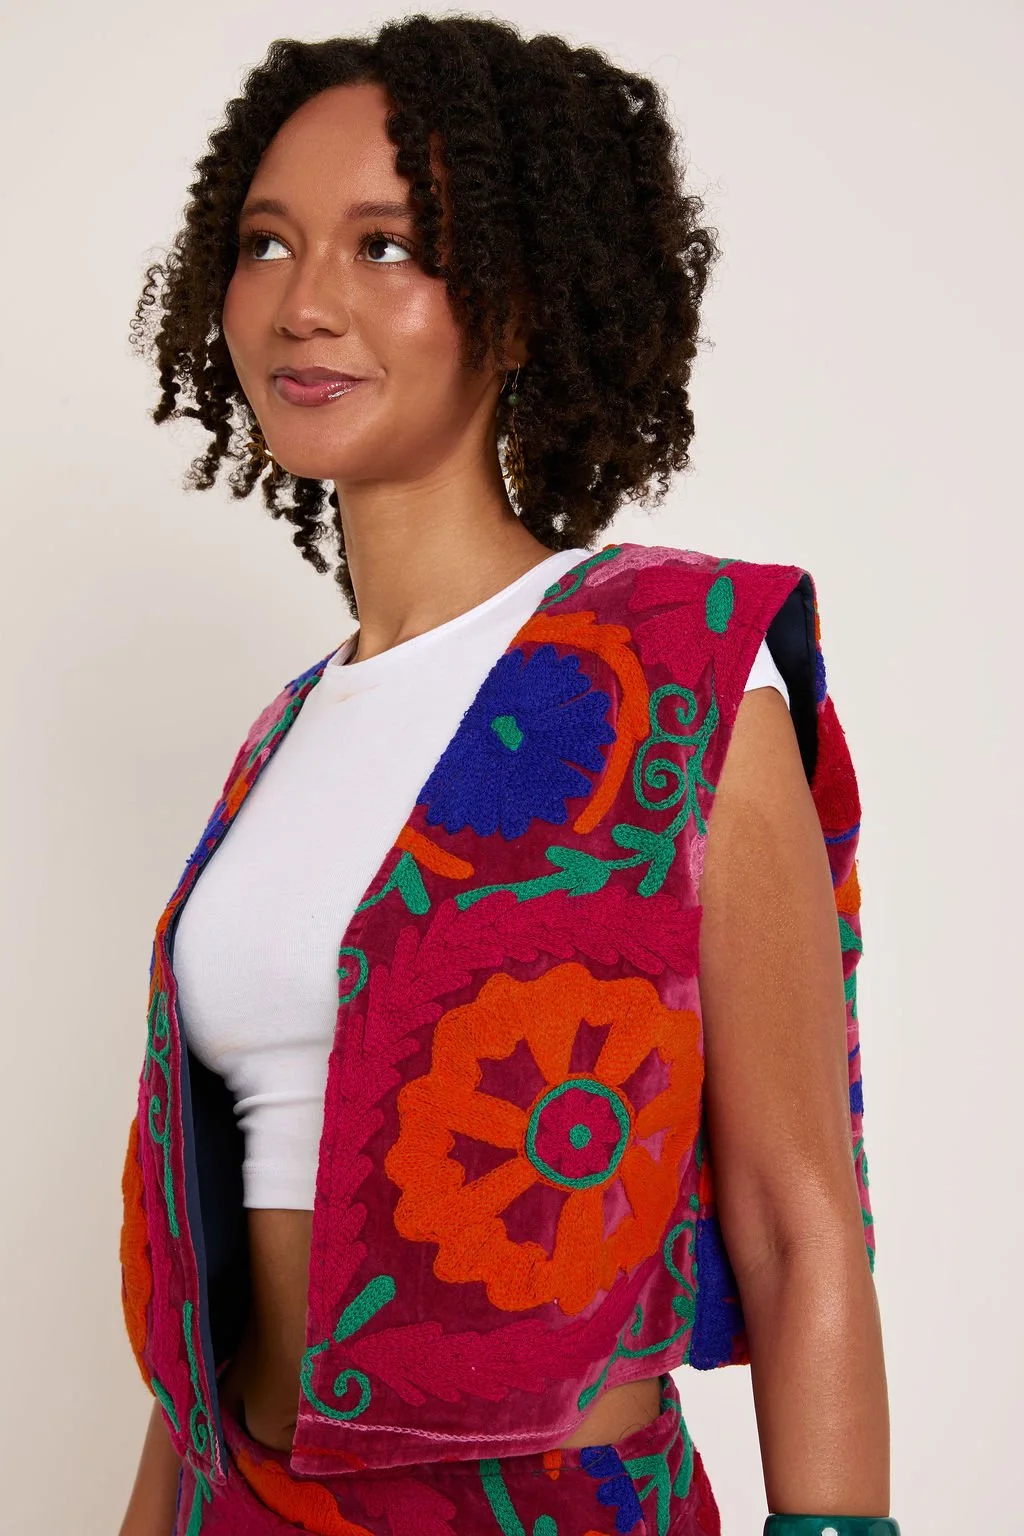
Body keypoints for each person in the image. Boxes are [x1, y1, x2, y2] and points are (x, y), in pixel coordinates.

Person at [118, 17, 895, 1536]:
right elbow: (210, 1285)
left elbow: (804, 1228)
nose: (307, 302)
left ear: (525, 307)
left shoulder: (672, 673)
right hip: (244, 1499)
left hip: (540, 1505)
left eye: (388, 245)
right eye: (267, 243)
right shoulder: (281, 741)